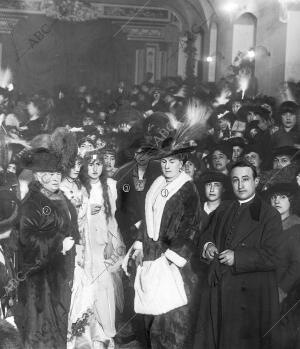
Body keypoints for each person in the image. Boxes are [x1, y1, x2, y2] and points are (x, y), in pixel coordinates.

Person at [123, 139, 202, 349]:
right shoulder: (157, 183)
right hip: (151, 255)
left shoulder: (187, 188)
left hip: (171, 261)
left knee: (173, 317)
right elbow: (147, 218)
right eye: (164, 161)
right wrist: (139, 246)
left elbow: (191, 226)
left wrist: (172, 257)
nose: (167, 166)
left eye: (173, 161)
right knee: (152, 315)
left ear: (182, 163)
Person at [197, 160, 282, 349]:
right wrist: (208, 245)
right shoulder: (223, 209)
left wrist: (238, 257)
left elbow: (274, 255)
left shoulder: (269, 215)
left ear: (256, 181)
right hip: (220, 289)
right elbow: (207, 234)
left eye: (245, 179)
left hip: (250, 294)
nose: (240, 185)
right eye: (235, 180)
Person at [16, 148, 80, 349]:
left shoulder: (57, 196)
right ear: (38, 176)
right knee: (42, 330)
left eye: (58, 174)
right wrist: (58, 243)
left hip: (58, 273)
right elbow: (28, 239)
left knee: (58, 323)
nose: (56, 178)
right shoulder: (32, 202)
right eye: (50, 174)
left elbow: (70, 224)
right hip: (40, 281)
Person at [69, 150, 125, 349]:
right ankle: (90, 340)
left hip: (102, 244)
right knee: (86, 290)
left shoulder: (109, 186)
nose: (94, 168)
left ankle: (108, 334)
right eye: (90, 164)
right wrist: (86, 212)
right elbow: (74, 219)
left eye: (98, 164)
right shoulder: (80, 187)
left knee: (104, 288)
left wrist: (112, 243)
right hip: (85, 247)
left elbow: (113, 218)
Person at [268, 182, 300, 349]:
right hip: (264, 289)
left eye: (282, 197)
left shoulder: (296, 228)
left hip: (286, 294)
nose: (277, 201)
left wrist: (282, 291)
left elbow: (297, 266)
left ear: (291, 201)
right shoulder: (266, 227)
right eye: (273, 197)